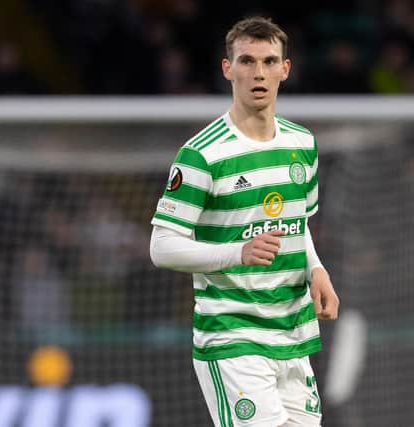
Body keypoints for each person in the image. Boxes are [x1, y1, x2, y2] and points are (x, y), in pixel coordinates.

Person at [150, 16, 339, 427]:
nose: (259, 73)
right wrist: (238, 252)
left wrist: (317, 268)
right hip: (232, 333)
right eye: (247, 61)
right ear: (227, 68)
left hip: (292, 333)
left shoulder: (302, 145)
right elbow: (161, 246)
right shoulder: (202, 155)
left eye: (270, 61)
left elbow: (297, 224)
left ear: (285, 70)